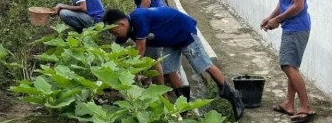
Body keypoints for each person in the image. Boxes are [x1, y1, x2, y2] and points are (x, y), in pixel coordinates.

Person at [102, 7, 244, 120]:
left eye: (115, 32)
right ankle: (185, 106)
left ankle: (232, 95)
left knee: (203, 66)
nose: (116, 36)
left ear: (122, 24)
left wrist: (130, 73)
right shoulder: (127, 29)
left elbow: (140, 49)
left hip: (184, 32)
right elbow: (118, 51)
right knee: (170, 71)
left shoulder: (138, 18)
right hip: (171, 40)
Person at [260, 0, 315, 123]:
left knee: (287, 65)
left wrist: (278, 20)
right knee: (291, 65)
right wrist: (271, 17)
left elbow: (299, 5)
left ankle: (306, 106)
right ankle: (289, 104)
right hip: (292, 26)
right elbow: (285, 2)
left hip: (296, 27)